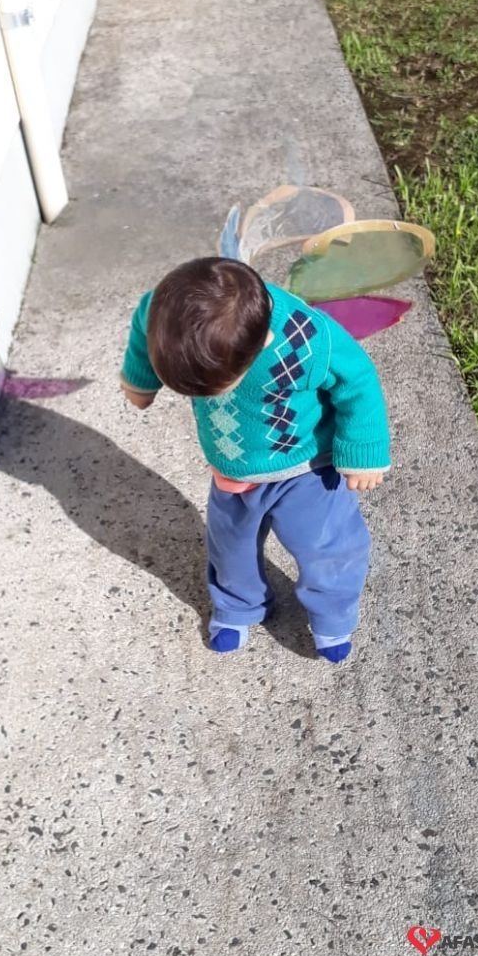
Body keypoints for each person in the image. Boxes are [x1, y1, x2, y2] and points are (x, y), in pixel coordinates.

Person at [120, 257, 390, 662]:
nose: (202, 398)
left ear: (260, 346)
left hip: (306, 468)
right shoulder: (167, 309)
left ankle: (333, 616)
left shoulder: (306, 338)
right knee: (230, 545)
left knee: (326, 546)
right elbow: (146, 321)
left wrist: (364, 451)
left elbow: (358, 379)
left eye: (211, 389)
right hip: (232, 467)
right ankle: (237, 605)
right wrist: (141, 379)